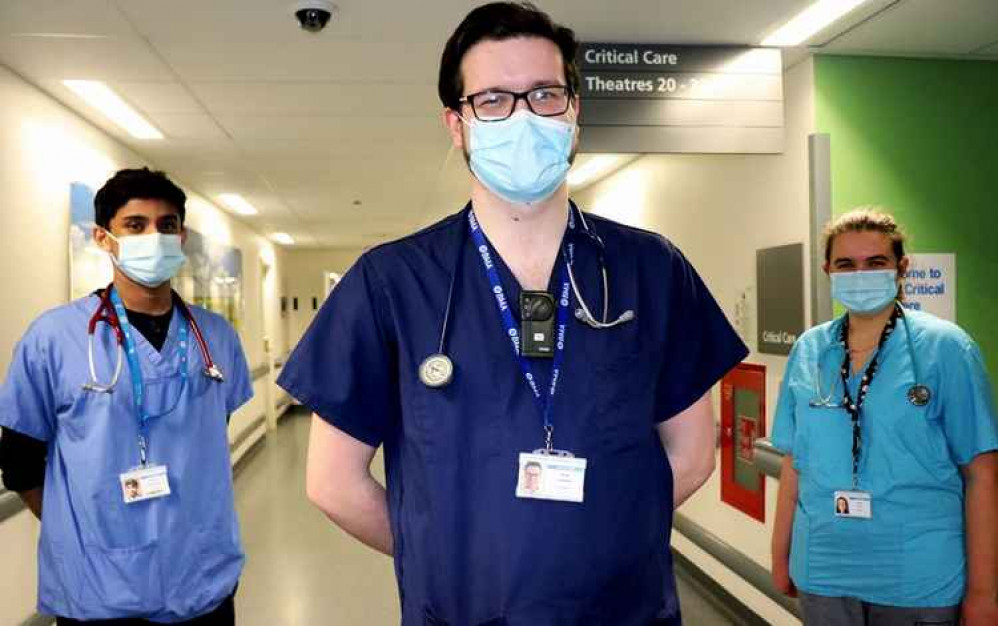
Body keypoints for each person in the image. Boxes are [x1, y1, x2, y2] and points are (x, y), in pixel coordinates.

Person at [278, 3, 747, 624]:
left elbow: (692, 456)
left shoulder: (651, 270)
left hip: (622, 611)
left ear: (574, 110)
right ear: (457, 124)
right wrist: (444, 555)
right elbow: (332, 483)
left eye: (545, 94)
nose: (524, 116)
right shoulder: (390, 282)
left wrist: (603, 544)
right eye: (493, 100)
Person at [0, 168, 253, 624]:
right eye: (135, 225)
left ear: (182, 236)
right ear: (104, 237)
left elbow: (209, 437)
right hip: (96, 584)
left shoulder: (215, 336)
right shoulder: (55, 337)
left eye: (167, 225)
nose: (154, 236)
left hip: (202, 578)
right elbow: (20, 462)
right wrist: (88, 531)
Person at [770, 208, 998, 626]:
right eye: (846, 265)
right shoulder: (810, 350)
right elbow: (794, 464)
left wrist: (985, 593)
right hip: (823, 570)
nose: (860, 274)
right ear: (828, 271)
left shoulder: (946, 349)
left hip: (918, 576)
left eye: (875, 263)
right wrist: (780, 555)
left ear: (901, 268)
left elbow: (982, 474)